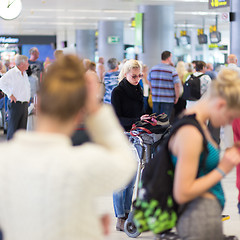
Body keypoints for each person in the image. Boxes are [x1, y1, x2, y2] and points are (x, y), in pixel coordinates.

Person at [0, 55, 136, 240]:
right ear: (80, 112)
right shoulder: (82, 163)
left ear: (39, 104)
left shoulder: (5, 161)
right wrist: (95, 108)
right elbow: (126, 163)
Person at [169, 68, 240, 240]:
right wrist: (223, 169)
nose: (228, 123)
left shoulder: (197, 124)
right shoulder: (190, 132)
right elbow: (182, 191)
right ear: (221, 105)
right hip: (197, 220)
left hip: (204, 218)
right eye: (230, 117)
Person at [111, 59, 148, 231]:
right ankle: (119, 216)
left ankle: (126, 213)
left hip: (136, 137)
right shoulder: (118, 92)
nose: (137, 79)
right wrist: (137, 120)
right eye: (134, 76)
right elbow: (117, 118)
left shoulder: (139, 89)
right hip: (121, 136)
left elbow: (142, 112)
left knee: (132, 180)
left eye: (140, 75)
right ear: (125, 74)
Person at [0, 55, 30, 140]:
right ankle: (10, 150)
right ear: (21, 64)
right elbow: (1, 82)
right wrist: (10, 94)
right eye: (27, 62)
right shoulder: (12, 73)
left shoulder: (24, 73)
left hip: (24, 105)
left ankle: (20, 150)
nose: (28, 64)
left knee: (22, 131)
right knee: (13, 129)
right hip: (15, 105)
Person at [148, 50, 180, 118]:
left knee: (155, 121)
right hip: (168, 99)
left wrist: (152, 91)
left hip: (155, 99)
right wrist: (177, 96)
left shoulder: (153, 69)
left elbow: (149, 81)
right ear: (168, 58)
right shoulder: (172, 70)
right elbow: (177, 85)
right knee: (165, 121)